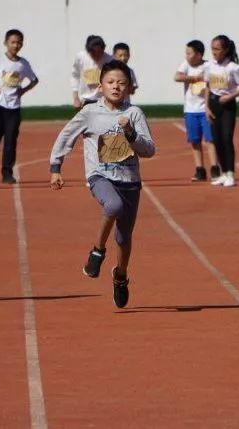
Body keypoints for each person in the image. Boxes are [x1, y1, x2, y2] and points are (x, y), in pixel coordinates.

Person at [49, 60, 156, 309]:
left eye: (122, 83)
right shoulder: (90, 113)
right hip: (100, 176)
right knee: (113, 205)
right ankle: (97, 251)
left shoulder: (134, 114)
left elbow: (149, 150)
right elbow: (66, 135)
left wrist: (131, 134)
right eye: (111, 82)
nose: (116, 87)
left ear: (129, 87)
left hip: (130, 181)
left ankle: (120, 275)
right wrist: (56, 167)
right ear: (101, 86)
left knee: (124, 238)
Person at [0, 29, 39, 184]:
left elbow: (34, 80)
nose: (16, 45)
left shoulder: (23, 64)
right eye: (13, 42)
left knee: (10, 141)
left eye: (19, 42)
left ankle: (7, 172)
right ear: (6, 43)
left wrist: (22, 91)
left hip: (13, 108)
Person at [206, 35, 239, 188]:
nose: (214, 52)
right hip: (213, 104)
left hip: (227, 105)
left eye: (217, 49)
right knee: (216, 140)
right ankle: (223, 173)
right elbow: (207, 86)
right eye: (212, 49)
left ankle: (231, 173)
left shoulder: (233, 67)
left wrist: (230, 96)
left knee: (226, 138)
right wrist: (206, 107)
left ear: (225, 50)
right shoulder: (210, 65)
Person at [175, 40, 220, 182]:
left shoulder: (208, 66)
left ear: (199, 55)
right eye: (186, 53)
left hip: (204, 108)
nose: (187, 56)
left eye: (190, 53)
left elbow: (211, 84)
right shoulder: (186, 65)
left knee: (210, 139)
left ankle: (215, 168)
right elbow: (177, 76)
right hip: (190, 109)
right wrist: (195, 78)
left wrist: (208, 105)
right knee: (195, 141)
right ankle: (200, 169)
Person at [71, 35, 112, 110]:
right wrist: (75, 97)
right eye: (94, 53)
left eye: (100, 52)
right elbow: (75, 76)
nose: (97, 55)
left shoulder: (109, 59)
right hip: (85, 99)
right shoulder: (81, 57)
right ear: (88, 51)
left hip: (104, 99)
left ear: (103, 49)